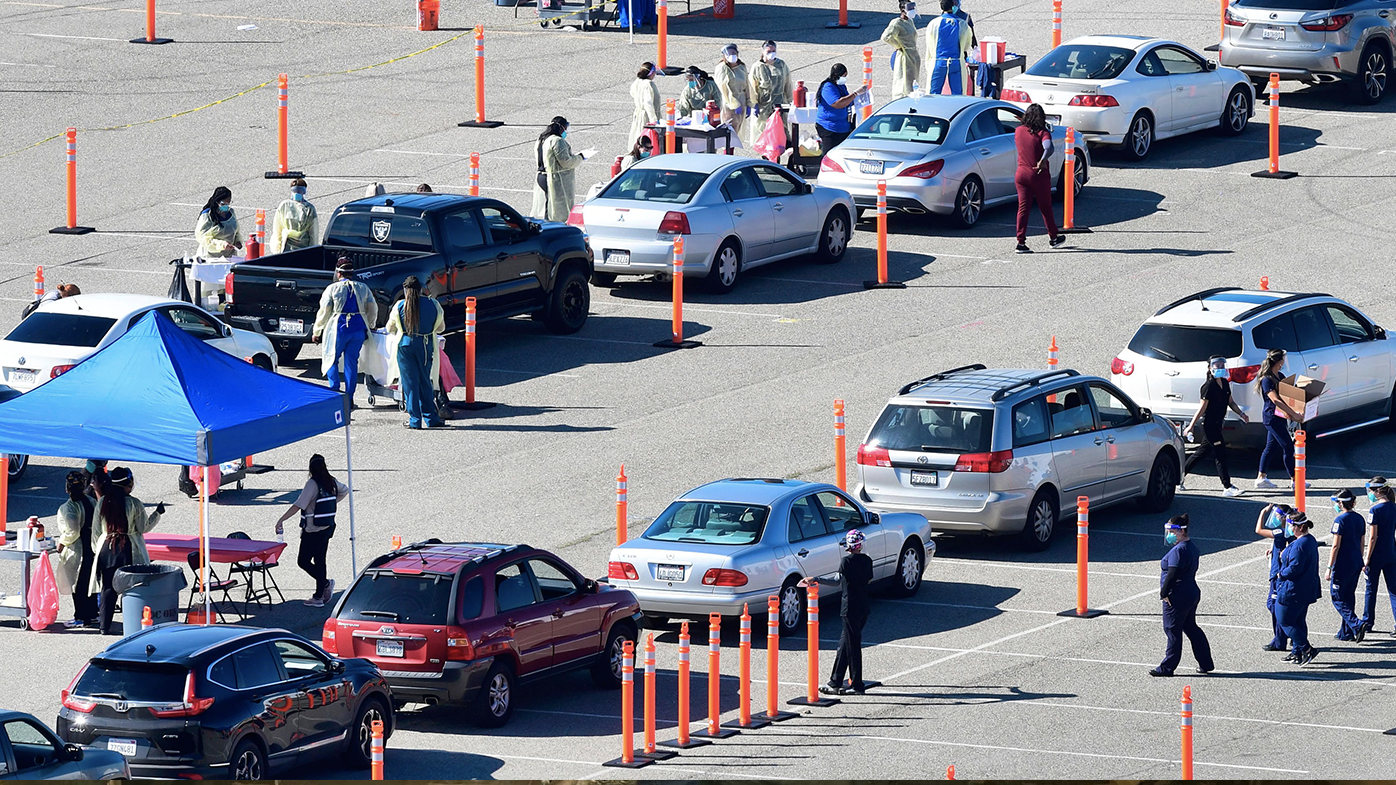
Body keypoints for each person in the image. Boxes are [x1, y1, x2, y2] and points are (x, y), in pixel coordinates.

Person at [800, 530, 874, 695]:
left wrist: (817, 579)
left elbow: (836, 581)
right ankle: (836, 680)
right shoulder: (867, 561)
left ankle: (857, 684)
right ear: (860, 545)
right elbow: (868, 579)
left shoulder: (846, 561)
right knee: (844, 645)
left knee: (852, 645)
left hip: (849, 608)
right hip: (863, 607)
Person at [275, 454, 349, 607]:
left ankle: (324, 586)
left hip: (313, 529)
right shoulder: (331, 481)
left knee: (303, 561)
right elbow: (345, 490)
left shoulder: (312, 484)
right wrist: (331, 502)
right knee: (320, 560)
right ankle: (319, 595)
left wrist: (282, 519)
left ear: (311, 468)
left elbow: (299, 504)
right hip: (327, 527)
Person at [1150, 514, 1214, 677]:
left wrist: (1164, 593)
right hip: (1190, 592)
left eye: (1172, 531)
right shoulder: (1191, 547)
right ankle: (1206, 662)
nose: (1169, 534)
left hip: (1177, 596)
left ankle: (1168, 667)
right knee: (1191, 627)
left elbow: (1172, 574)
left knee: (1172, 630)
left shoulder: (1179, 551)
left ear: (1181, 531)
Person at [312, 258, 378, 405]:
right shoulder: (363, 288)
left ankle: (335, 392)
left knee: (331, 359)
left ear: (338, 273)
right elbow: (373, 308)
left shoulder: (332, 288)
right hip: (358, 329)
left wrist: (317, 331)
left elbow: (324, 311)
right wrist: (371, 324)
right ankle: (349, 398)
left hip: (339, 329)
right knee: (351, 363)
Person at [1181, 356, 1248, 496]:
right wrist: (1191, 426)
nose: (1220, 368)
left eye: (1222, 365)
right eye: (1216, 365)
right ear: (1210, 368)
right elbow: (1202, 409)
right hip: (1210, 424)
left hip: (1218, 423)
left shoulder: (1225, 383)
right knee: (1220, 454)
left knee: (1202, 452)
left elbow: (1231, 402)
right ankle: (1227, 486)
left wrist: (1241, 414)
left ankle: (1179, 476)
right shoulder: (1208, 386)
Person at [385, 276, 446, 429]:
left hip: (405, 346)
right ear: (421, 289)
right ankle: (431, 418)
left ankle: (415, 420)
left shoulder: (400, 306)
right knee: (425, 380)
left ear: (405, 290)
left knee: (410, 383)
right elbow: (441, 328)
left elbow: (389, 329)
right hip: (425, 345)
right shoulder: (434, 304)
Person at [1014, 104, 1064, 254]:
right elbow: (1049, 148)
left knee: (1023, 208)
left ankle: (1020, 242)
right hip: (1038, 174)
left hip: (1021, 174)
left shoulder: (1018, 131)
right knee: (1045, 207)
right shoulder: (1043, 133)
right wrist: (1043, 159)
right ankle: (1053, 237)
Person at [1275, 511, 1321, 665]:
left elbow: (1295, 568)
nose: (1289, 528)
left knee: (1285, 621)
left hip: (1293, 589)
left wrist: (1281, 573)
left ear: (1300, 527)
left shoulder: (1300, 545)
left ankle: (1306, 649)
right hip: (1306, 588)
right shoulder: (1310, 540)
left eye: (1291, 526)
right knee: (1299, 621)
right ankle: (1297, 652)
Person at [1255, 348, 1304, 490]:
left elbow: (1289, 395)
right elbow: (1276, 400)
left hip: (1280, 417)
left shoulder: (1280, 375)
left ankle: (1261, 477)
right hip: (1272, 417)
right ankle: (1295, 480)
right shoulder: (1266, 380)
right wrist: (1293, 414)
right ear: (1279, 361)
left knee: (1270, 447)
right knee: (1288, 446)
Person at [55, 471, 98, 628]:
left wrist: (61, 542)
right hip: (92, 546)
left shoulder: (69, 507)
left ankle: (80, 617)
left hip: (77, 549)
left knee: (77, 584)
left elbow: (72, 530)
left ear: (67, 488)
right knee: (91, 581)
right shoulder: (92, 501)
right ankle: (93, 614)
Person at [531, 116, 590, 223]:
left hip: (541, 176)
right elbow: (566, 162)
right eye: (565, 128)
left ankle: (545, 223)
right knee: (558, 208)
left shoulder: (541, 139)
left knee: (547, 205)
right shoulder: (557, 141)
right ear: (561, 128)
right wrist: (581, 157)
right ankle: (555, 227)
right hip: (554, 178)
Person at [1327, 489, 1366, 642]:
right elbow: (1362, 542)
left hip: (1342, 564)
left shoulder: (1340, 521)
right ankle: (1346, 632)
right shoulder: (1359, 518)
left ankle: (1356, 624)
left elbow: (1335, 546)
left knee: (1337, 597)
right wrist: (1360, 559)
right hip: (1356, 561)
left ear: (1342, 503)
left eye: (1337, 502)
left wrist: (1329, 568)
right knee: (1349, 596)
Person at [1257, 503, 1295, 652]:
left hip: (1278, 574)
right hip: (1281, 571)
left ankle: (1280, 639)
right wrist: (1272, 548)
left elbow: (1258, 530)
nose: (1276, 517)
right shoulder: (1289, 531)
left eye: (1278, 515)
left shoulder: (1281, 531)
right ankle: (1285, 636)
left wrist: (1262, 512)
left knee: (1273, 606)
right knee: (1279, 606)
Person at [1360, 477, 1396, 635]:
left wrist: (1367, 558)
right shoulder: (1394, 507)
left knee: (1370, 590)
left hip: (1376, 556)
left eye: (1371, 490)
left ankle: (1368, 621)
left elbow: (1373, 537)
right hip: (1391, 553)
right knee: (1394, 591)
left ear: (1378, 491)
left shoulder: (1375, 511)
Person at [815, 64, 867, 156]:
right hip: (829, 127)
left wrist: (858, 99)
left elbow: (847, 101)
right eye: (843, 76)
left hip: (843, 127)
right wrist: (855, 94)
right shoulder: (828, 87)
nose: (844, 79)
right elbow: (837, 103)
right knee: (829, 154)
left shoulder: (841, 86)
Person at [749, 40, 793, 145]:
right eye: (769, 51)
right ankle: (768, 156)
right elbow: (752, 87)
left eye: (774, 50)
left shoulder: (781, 65)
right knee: (766, 132)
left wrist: (791, 100)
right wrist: (753, 103)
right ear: (763, 51)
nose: (771, 53)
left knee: (782, 131)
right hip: (764, 106)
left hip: (780, 104)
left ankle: (785, 153)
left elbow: (787, 83)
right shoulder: (757, 67)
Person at [925, 0, 972, 95]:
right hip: (956, 62)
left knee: (933, 93)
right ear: (953, 6)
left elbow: (929, 44)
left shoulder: (934, 23)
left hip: (938, 62)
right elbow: (967, 45)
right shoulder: (962, 24)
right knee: (958, 94)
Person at [881, 1, 923, 99]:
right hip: (905, 56)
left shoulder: (910, 21)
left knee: (913, 81)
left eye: (913, 7)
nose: (912, 10)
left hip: (913, 55)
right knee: (904, 82)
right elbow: (886, 37)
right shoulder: (897, 23)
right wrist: (898, 45)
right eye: (910, 8)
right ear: (903, 10)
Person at [109, 466, 164, 541]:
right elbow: (144, 527)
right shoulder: (134, 504)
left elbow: (96, 531)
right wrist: (157, 513)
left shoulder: (102, 502)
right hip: (130, 547)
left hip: (105, 548)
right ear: (129, 484)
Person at [267, 178, 318, 256]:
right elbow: (277, 229)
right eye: (295, 191)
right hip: (287, 246)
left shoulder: (309, 209)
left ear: (304, 192)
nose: (297, 193)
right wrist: (277, 249)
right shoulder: (284, 205)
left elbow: (313, 232)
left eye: (300, 191)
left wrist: (311, 252)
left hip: (302, 248)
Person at [194, 186, 242, 259]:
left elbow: (236, 231)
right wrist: (222, 245)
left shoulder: (231, 213)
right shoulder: (207, 215)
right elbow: (202, 238)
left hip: (229, 257)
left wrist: (238, 241)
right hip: (210, 258)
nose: (226, 206)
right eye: (223, 203)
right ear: (217, 201)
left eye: (228, 203)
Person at [716, 44, 751, 138]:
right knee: (729, 130)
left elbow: (747, 85)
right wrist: (734, 104)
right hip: (729, 104)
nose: (732, 55)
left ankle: (732, 150)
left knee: (737, 129)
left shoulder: (741, 67)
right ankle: (727, 151)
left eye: (734, 53)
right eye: (729, 53)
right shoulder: (722, 68)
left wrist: (749, 102)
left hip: (742, 101)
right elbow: (724, 88)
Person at [629, 62, 662, 148]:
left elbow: (632, 92)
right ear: (652, 73)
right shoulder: (648, 84)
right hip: (646, 116)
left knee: (637, 134)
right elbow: (648, 103)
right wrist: (653, 120)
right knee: (646, 138)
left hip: (638, 114)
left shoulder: (637, 81)